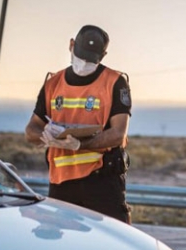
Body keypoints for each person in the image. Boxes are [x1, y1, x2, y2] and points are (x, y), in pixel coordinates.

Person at [25, 24, 132, 223]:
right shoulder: (53, 83)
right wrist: (44, 135)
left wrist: (81, 145)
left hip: (102, 181)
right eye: (80, 56)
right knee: (64, 249)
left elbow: (118, 134)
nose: (83, 64)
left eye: (90, 60)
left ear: (103, 55)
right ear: (71, 45)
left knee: (113, 247)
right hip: (61, 184)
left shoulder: (115, 82)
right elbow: (31, 129)